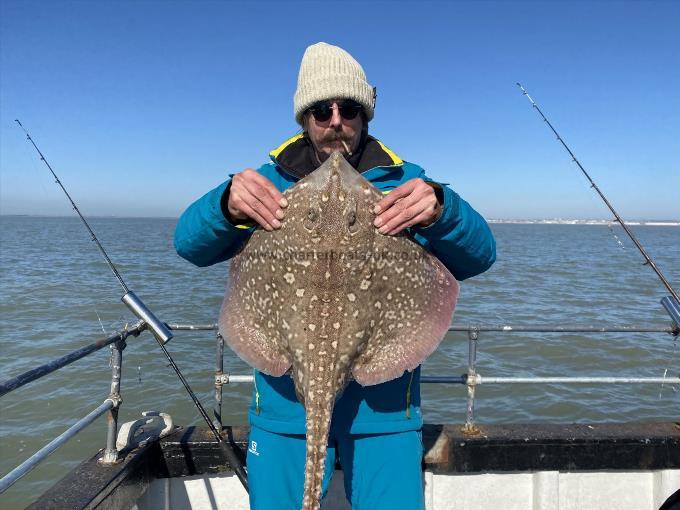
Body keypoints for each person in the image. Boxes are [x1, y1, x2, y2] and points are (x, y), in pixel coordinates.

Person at [174, 42, 496, 510]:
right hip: (283, 413)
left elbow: (480, 255)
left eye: (348, 108)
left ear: (365, 114)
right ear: (304, 117)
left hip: (385, 414)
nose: (335, 120)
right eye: (321, 110)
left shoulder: (408, 184)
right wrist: (224, 205)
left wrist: (442, 210)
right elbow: (189, 245)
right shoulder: (267, 186)